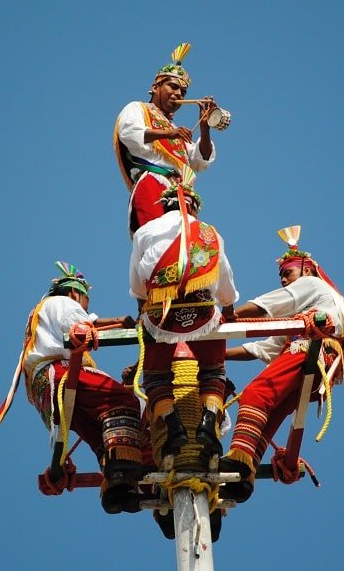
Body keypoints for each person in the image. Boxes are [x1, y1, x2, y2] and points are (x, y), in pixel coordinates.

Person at [0, 262, 144, 515]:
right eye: (85, 302)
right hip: (62, 371)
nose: (86, 308)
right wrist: (122, 324)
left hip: (46, 389)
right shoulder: (61, 303)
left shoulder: (42, 313)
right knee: (123, 400)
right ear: (74, 294)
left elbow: (87, 323)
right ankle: (122, 468)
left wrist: (118, 323)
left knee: (99, 431)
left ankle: (118, 488)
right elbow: (80, 326)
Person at [219, 226, 344, 504]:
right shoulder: (298, 315)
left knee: (256, 393)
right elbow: (263, 348)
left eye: (287, 273)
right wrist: (221, 354)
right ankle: (243, 476)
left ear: (307, 270)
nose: (283, 280)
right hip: (314, 366)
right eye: (281, 276)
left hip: (309, 351)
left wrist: (223, 319)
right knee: (268, 414)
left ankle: (239, 461)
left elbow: (269, 305)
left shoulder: (313, 285)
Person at [128, 175, 238, 473]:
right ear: (194, 209)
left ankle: (174, 426)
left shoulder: (145, 232)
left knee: (156, 376)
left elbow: (138, 286)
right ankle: (206, 422)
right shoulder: (209, 232)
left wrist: (143, 311)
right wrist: (229, 309)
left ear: (164, 208)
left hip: (160, 318)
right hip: (204, 315)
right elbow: (224, 278)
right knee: (214, 372)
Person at [113, 42, 220, 235]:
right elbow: (128, 132)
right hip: (153, 185)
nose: (178, 94)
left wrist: (204, 128)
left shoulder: (175, 130)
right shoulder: (138, 108)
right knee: (160, 239)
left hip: (184, 193)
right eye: (173, 86)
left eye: (183, 92)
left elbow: (199, 160)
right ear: (155, 87)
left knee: (191, 246)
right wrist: (169, 133)